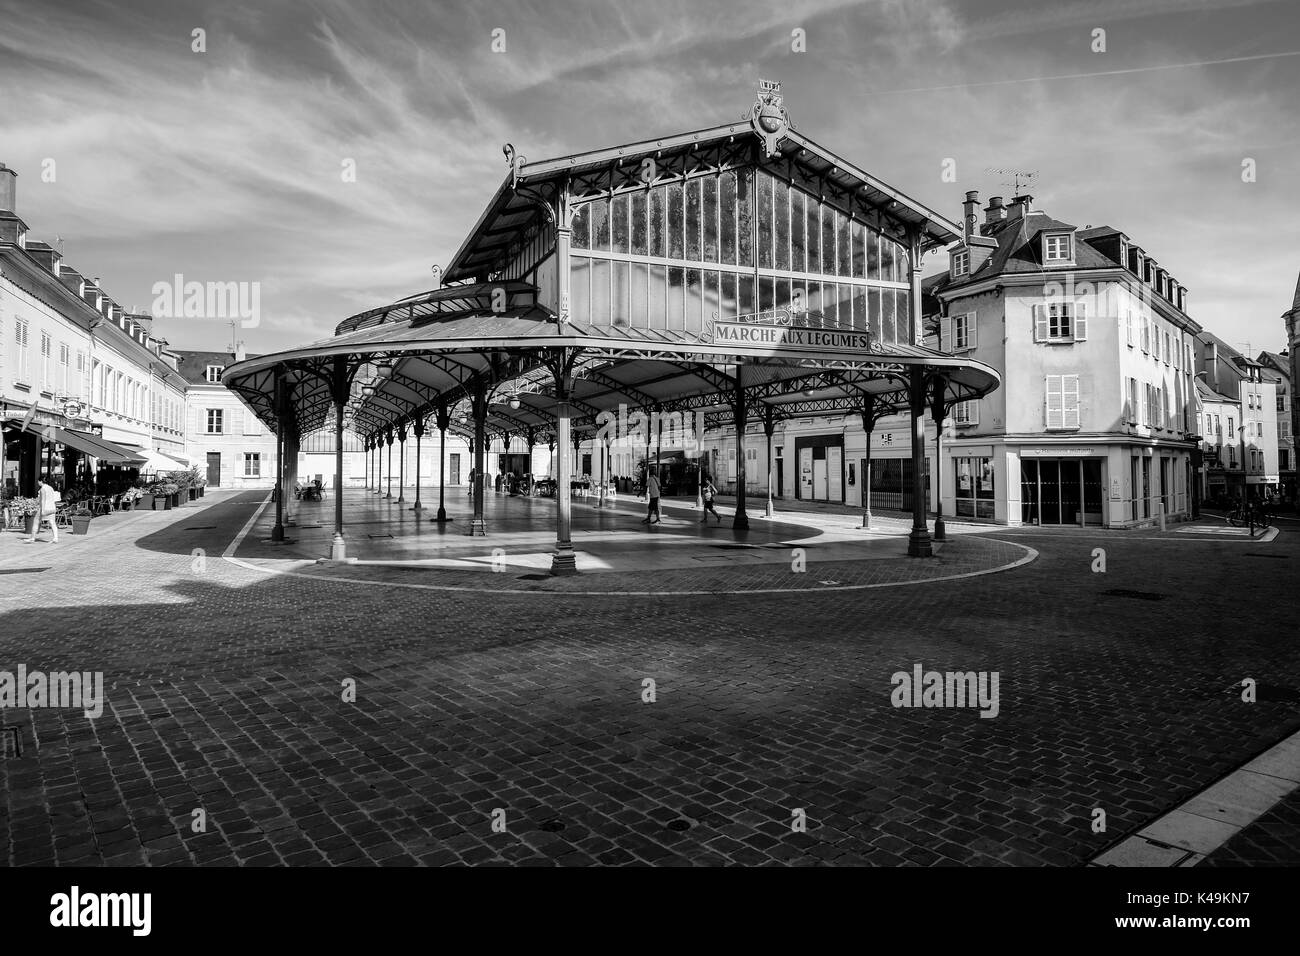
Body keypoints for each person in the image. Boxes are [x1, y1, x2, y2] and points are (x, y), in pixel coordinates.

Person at [23, 477, 60, 544]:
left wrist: (42, 510)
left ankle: (32, 538)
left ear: (41, 481)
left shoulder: (43, 489)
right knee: (52, 523)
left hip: (45, 508)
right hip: (52, 507)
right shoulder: (51, 488)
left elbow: (43, 500)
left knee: (35, 521)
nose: (38, 482)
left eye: (38, 481)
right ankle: (55, 538)